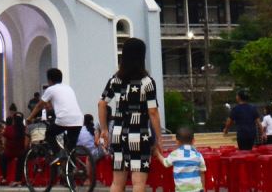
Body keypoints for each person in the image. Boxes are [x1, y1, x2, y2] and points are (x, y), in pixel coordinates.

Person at [96, 37, 162, 192]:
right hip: (139, 134)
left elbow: (101, 103)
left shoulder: (115, 80)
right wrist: (159, 138)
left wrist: (104, 129)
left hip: (118, 134)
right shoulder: (147, 82)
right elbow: (153, 112)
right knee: (138, 183)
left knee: (117, 182)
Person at [29, 67, 84, 157]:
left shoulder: (51, 89)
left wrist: (29, 118)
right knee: (71, 148)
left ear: (49, 80)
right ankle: (70, 164)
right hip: (78, 119)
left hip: (64, 119)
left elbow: (39, 105)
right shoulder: (68, 88)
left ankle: (58, 154)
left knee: (49, 134)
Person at [158, 128, 205, 192]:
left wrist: (157, 153)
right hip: (197, 190)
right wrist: (203, 187)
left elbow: (165, 163)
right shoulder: (198, 155)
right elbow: (202, 172)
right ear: (193, 140)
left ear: (177, 141)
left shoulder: (175, 154)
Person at [2, 104, 26, 186]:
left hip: (10, 152)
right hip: (21, 152)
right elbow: (26, 143)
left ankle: (4, 178)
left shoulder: (9, 129)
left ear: (14, 120)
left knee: (2, 159)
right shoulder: (25, 129)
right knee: (21, 159)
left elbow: (4, 141)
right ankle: (18, 180)